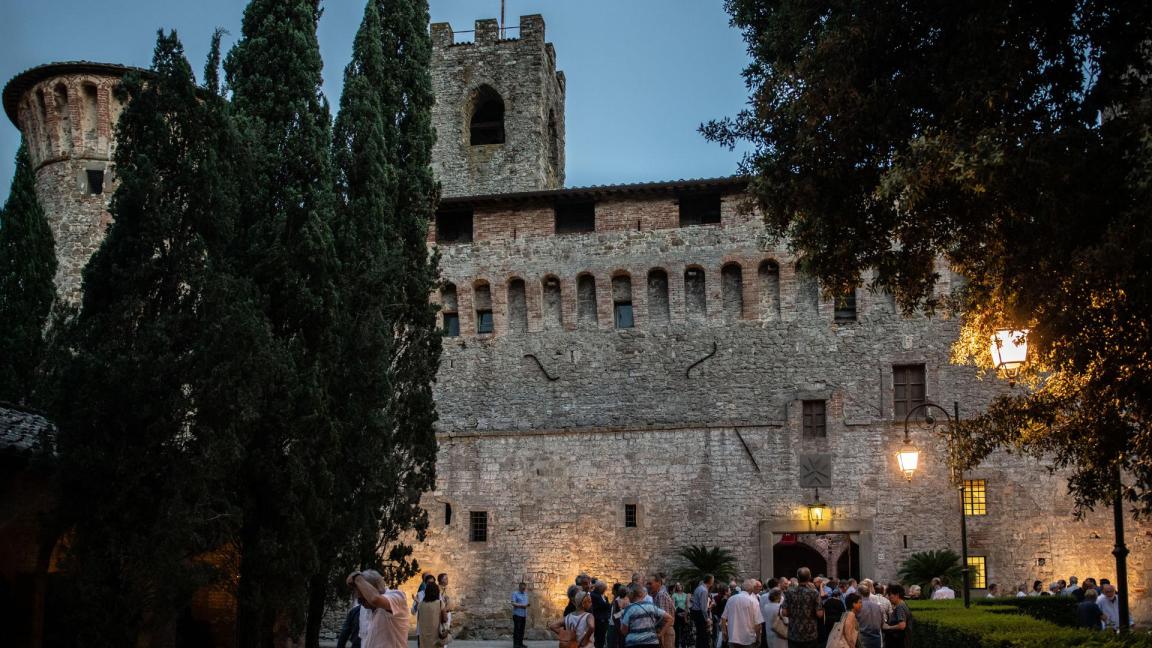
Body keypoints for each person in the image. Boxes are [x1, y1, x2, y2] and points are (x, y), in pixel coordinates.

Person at [347, 569, 410, 648]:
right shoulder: (365, 608)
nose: (360, 603)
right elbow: (364, 638)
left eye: (362, 599)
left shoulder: (397, 597)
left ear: (376, 588)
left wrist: (357, 578)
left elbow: (375, 599)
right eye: (359, 600)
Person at [780, 567, 822, 648]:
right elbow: (819, 614)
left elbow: (784, 612)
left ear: (797, 577)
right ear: (809, 577)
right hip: (810, 634)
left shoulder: (789, 592)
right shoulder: (814, 593)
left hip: (794, 633)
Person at [720, 578, 763, 648]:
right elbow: (758, 624)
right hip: (748, 638)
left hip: (733, 638)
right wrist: (758, 637)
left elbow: (723, 618)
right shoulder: (754, 601)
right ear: (752, 589)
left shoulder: (731, 599)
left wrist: (724, 632)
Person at [418, 582, 449, 648]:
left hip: (424, 637)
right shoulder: (440, 603)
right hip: (436, 636)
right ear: (437, 591)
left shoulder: (420, 604)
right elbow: (445, 618)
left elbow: (419, 619)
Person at [651, 574, 677, 648]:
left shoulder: (661, 595)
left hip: (665, 630)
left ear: (658, 583)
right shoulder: (659, 594)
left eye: (651, 583)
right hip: (665, 629)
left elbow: (665, 617)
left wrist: (660, 633)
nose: (649, 586)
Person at [882, 584, 911, 648]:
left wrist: (888, 627)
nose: (888, 597)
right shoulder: (902, 604)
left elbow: (902, 626)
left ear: (897, 595)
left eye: (890, 595)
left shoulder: (900, 606)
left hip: (897, 642)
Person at [854, 583, 882, 648]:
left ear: (859, 594)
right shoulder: (877, 606)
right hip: (877, 639)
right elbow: (881, 622)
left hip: (863, 639)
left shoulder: (858, 607)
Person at [690, 575, 714, 648]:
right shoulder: (704, 590)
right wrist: (707, 619)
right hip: (700, 614)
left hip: (696, 613)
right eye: (713, 580)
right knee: (703, 636)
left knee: (700, 635)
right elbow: (703, 608)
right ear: (710, 581)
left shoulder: (698, 588)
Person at [593, 581, 613, 648]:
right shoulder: (594, 595)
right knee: (598, 639)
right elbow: (603, 605)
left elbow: (607, 605)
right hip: (598, 620)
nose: (605, 590)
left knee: (602, 639)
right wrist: (609, 605)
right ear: (599, 588)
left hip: (604, 620)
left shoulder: (603, 596)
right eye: (604, 589)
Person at [512, 582, 530, 648]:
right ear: (519, 587)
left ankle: (520, 643)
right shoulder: (515, 593)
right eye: (522, 588)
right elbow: (513, 603)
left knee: (522, 630)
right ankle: (515, 644)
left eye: (524, 588)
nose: (523, 589)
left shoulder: (526, 594)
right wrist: (522, 605)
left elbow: (525, 603)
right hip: (517, 615)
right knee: (517, 630)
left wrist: (527, 605)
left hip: (523, 615)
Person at [672, 583, 689, 648]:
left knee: (683, 631)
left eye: (680, 585)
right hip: (677, 613)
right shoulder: (674, 595)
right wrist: (676, 613)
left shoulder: (685, 595)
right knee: (677, 631)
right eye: (678, 586)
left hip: (684, 613)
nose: (679, 587)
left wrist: (685, 613)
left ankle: (683, 645)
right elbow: (673, 605)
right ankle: (676, 646)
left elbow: (687, 605)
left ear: (682, 586)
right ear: (676, 587)